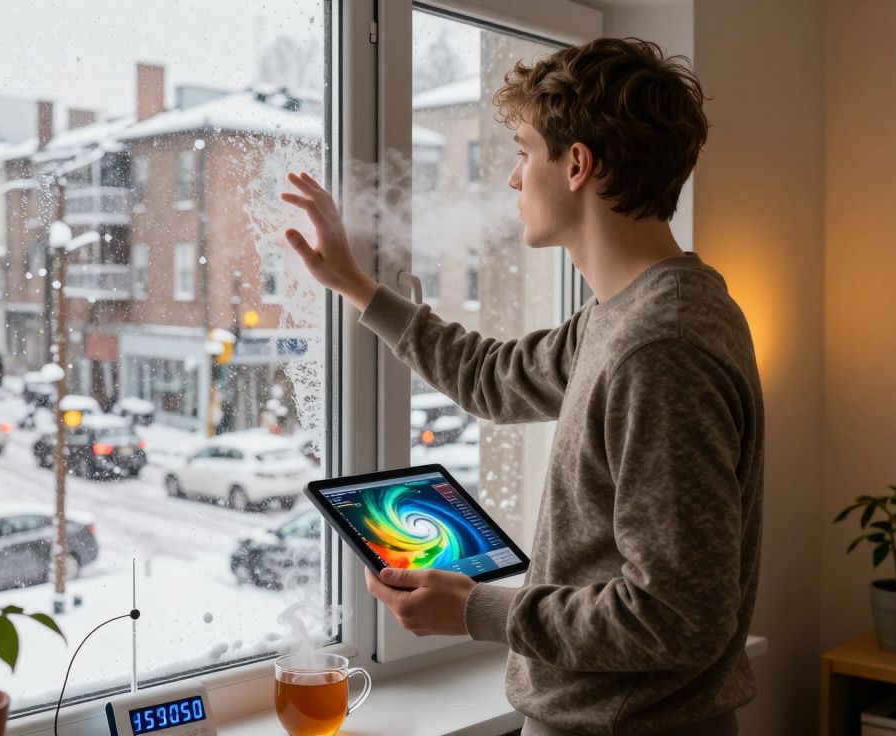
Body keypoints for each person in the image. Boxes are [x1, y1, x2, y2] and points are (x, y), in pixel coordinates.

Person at [281, 37, 762, 736]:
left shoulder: (661, 347)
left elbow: (680, 618)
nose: (512, 179)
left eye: (522, 151)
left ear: (576, 165)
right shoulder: (631, 311)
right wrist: (355, 285)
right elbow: (491, 379)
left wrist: (473, 610)